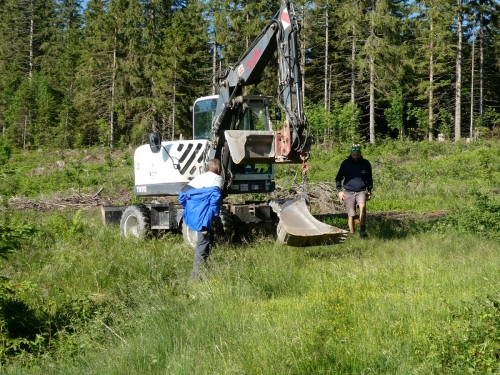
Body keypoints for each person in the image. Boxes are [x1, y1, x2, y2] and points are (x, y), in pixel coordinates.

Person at [178, 159, 223, 279]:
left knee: (208, 240)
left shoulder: (198, 178)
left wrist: (192, 206)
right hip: (204, 217)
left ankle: (204, 269)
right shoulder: (217, 179)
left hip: (194, 215)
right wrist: (214, 213)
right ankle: (196, 277)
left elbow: (182, 196)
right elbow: (215, 197)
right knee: (202, 244)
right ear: (218, 169)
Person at [335, 144, 373, 238]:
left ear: (360, 154)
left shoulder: (366, 164)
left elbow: (369, 178)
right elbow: (338, 178)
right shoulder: (345, 163)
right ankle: (352, 234)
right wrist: (340, 191)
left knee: (362, 207)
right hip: (348, 191)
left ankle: (362, 230)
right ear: (351, 154)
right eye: (353, 155)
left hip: (361, 191)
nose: (355, 157)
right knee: (351, 214)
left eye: (357, 155)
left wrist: (369, 190)